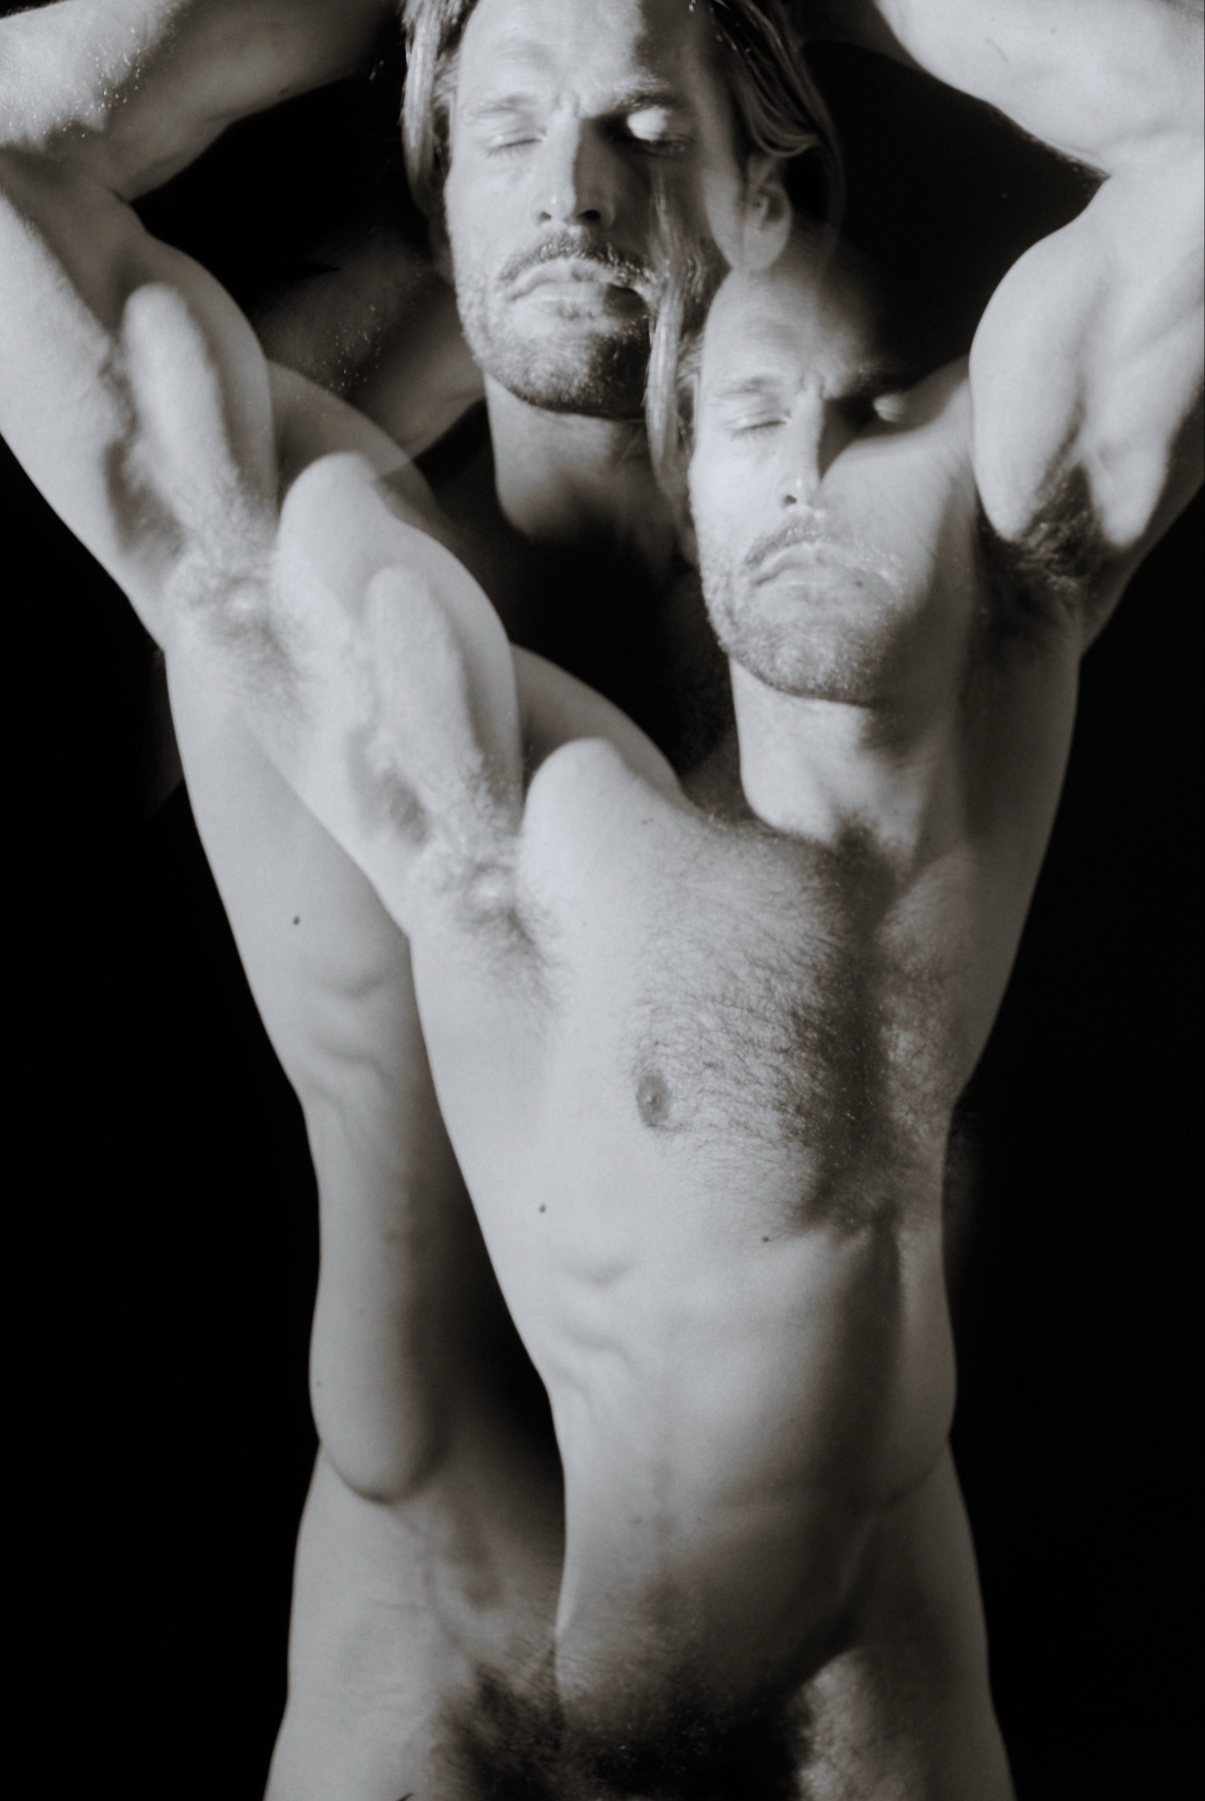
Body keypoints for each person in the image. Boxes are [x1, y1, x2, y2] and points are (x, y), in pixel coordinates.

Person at [0, 0, 1199, 1794]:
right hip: (419, 1660)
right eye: (506, 135)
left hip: (844, 1684)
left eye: (644, 126)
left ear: (759, 194)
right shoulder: (284, 563)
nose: (570, 187)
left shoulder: (926, 573)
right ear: (438, 199)